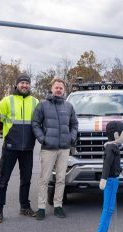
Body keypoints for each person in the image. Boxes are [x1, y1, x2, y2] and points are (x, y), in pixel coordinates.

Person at [0, 73, 39, 223]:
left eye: (27, 83)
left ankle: (25, 207)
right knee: (3, 180)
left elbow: (41, 122)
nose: (24, 85)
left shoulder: (36, 102)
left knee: (26, 179)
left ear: (30, 85)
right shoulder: (7, 100)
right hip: (10, 147)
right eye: (22, 83)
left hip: (28, 149)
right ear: (17, 85)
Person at [32, 78, 78, 220]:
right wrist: (43, 139)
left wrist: (71, 138)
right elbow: (35, 123)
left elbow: (74, 124)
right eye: (56, 87)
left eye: (61, 88)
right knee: (44, 179)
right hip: (48, 148)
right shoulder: (43, 105)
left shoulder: (69, 106)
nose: (58, 90)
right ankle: (41, 208)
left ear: (64, 90)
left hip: (64, 148)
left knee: (60, 179)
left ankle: (58, 206)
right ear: (51, 89)